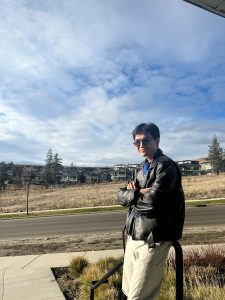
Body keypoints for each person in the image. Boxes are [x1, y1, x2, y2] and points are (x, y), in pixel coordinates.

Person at [118, 122, 185, 300]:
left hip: (154, 238)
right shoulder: (139, 168)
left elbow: (154, 203)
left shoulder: (166, 167)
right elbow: (120, 195)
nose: (141, 146)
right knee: (127, 290)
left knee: (139, 295)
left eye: (146, 141)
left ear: (157, 140)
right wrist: (138, 192)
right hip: (134, 234)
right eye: (137, 142)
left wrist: (132, 195)